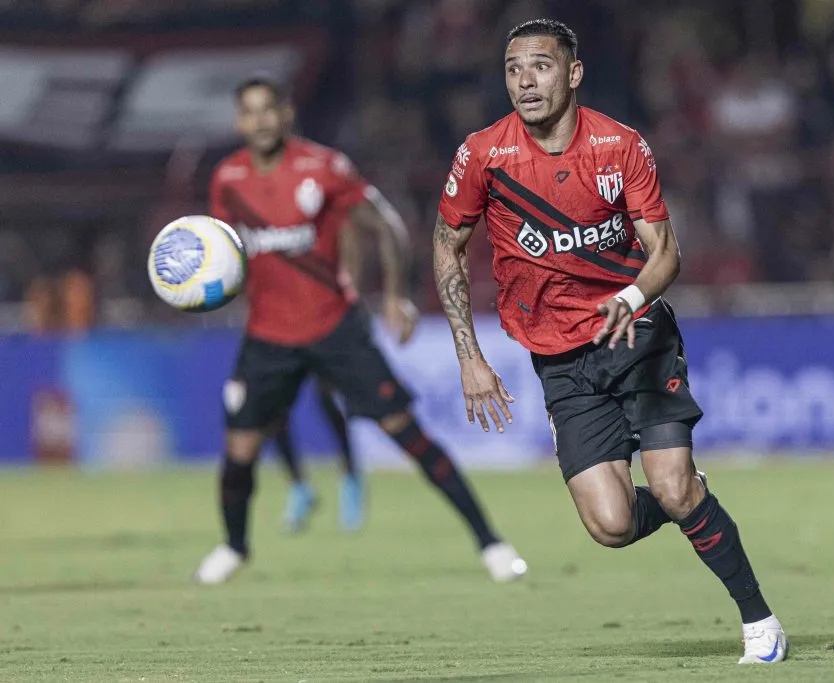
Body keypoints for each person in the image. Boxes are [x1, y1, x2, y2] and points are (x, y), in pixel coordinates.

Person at [432, 20, 786, 663]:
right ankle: (688, 498)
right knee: (612, 526)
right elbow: (446, 246)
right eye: (513, 69)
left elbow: (665, 253)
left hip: (636, 334)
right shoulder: (484, 153)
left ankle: (759, 620)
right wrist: (469, 356)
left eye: (539, 67)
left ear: (573, 74)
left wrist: (629, 298)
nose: (524, 81)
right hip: (559, 357)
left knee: (672, 487)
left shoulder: (618, 146)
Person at [194, 76, 527, 584]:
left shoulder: (324, 167)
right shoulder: (227, 178)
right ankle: (234, 547)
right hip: (267, 337)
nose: (259, 121)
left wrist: (395, 294)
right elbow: (224, 253)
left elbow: (387, 226)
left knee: (407, 434)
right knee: (239, 450)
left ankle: (492, 542)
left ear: (286, 114)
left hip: (336, 329)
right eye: (249, 112)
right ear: (239, 121)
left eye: (268, 110)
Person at [270, 378, 364, 533]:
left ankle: (351, 480)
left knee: (329, 396)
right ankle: (299, 487)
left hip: (321, 354)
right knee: (274, 408)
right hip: (286, 353)